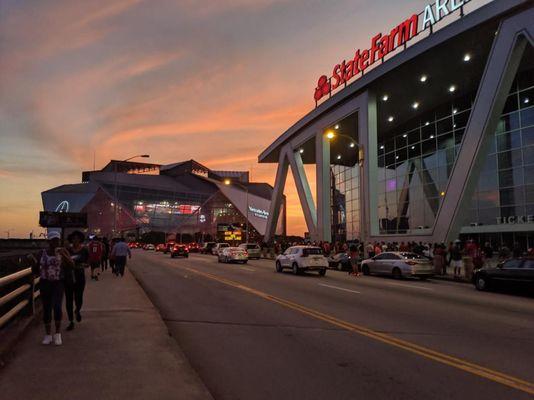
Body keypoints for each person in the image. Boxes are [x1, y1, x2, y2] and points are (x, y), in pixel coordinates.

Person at [31, 231, 73, 345]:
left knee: (57, 307)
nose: (55, 242)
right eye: (53, 240)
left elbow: (71, 265)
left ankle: (58, 334)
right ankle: (48, 334)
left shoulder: (63, 251)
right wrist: (33, 262)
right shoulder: (41, 253)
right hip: (45, 283)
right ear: (48, 241)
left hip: (58, 283)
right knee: (47, 308)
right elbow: (35, 269)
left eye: (57, 240)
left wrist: (63, 254)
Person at [65, 231, 89, 331]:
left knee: (79, 297)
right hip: (69, 278)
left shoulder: (84, 250)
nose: (76, 240)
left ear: (80, 239)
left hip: (80, 277)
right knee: (69, 300)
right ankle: (71, 321)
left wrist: (84, 265)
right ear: (71, 239)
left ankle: (77, 310)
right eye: (74, 238)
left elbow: (88, 262)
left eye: (77, 238)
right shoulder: (67, 250)